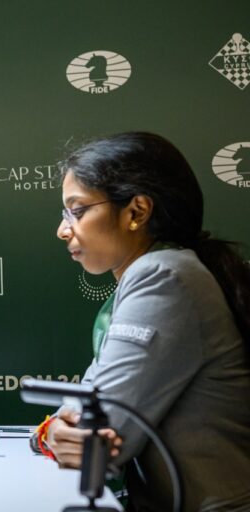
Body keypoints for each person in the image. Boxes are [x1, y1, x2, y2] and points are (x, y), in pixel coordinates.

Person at [36, 132, 250, 511]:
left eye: (78, 210)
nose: (63, 229)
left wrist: (61, 430)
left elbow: (100, 439)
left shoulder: (164, 276)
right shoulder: (165, 272)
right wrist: (51, 430)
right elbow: (91, 395)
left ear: (137, 211)